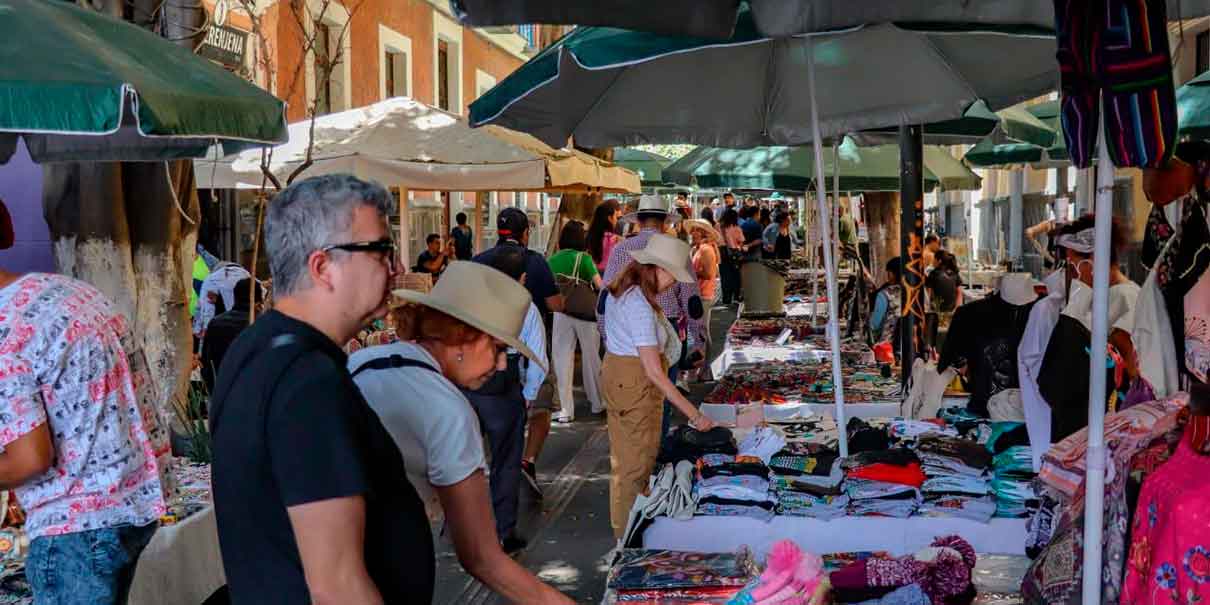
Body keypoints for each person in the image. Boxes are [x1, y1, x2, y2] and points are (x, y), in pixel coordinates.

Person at [209, 174, 435, 604]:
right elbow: (337, 587)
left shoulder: (259, 348)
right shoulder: (307, 381)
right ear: (322, 266)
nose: (397, 268)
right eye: (381, 250)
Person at [347, 262, 573, 605]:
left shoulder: (362, 361)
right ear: (462, 338)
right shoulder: (450, 410)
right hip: (383, 576)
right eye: (498, 349)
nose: (500, 365)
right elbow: (482, 557)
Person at [0, 197, 171, 605]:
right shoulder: (68, 293)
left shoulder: (5, 327)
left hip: (75, 530)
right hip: (129, 508)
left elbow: (29, 458)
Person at [599, 233, 717, 537]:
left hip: (626, 380)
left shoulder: (628, 291)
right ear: (657, 268)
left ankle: (628, 531)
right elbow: (653, 371)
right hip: (634, 383)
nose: (674, 284)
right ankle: (625, 541)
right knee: (633, 469)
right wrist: (694, 414)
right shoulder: (637, 303)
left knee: (632, 464)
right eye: (673, 276)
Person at [461, 246, 548, 550]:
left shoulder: (471, 300)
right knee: (506, 462)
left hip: (467, 385)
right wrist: (528, 395)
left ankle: (461, 526)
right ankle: (503, 531)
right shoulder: (527, 307)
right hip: (504, 386)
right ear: (522, 277)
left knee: (462, 461)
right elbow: (537, 358)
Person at [601, 195, 706, 440]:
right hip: (664, 331)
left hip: (623, 338)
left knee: (630, 406)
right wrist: (698, 341)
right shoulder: (674, 251)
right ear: (665, 221)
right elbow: (692, 302)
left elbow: (604, 300)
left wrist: (608, 337)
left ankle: (640, 454)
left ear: (637, 219)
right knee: (661, 401)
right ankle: (655, 455)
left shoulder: (621, 249)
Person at [475, 208, 562, 499]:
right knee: (540, 409)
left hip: (482, 363)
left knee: (489, 421)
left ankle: (485, 471)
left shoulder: (478, 261)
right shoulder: (535, 261)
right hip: (527, 357)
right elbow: (555, 303)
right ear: (525, 233)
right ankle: (526, 460)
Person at [547, 221, 604, 422]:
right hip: (586, 314)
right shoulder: (584, 259)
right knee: (591, 358)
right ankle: (598, 403)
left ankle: (565, 410)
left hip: (561, 312)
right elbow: (600, 286)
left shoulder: (552, 259)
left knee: (562, 358)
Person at [201, 277, 261, 393]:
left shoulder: (215, 323)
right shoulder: (264, 324)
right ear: (259, 301)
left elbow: (206, 363)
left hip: (221, 392)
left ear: (234, 297)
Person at [686, 219, 722, 352]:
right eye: (692, 230)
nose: (692, 233)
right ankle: (702, 363)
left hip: (704, 295)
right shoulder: (698, 248)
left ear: (702, 233)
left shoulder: (706, 249)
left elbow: (708, 274)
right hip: (698, 294)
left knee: (702, 333)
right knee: (699, 332)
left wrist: (690, 272)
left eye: (695, 230)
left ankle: (705, 364)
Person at [870, 257, 903, 347]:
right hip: (908, 345)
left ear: (892, 273)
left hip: (886, 346)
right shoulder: (912, 293)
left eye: (888, 272)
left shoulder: (884, 294)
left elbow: (874, 324)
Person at [588, 200, 624, 274]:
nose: (617, 221)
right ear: (610, 218)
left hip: (592, 277)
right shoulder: (615, 239)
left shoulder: (590, 236)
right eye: (617, 218)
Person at [925, 249, 964, 314]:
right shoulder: (954, 273)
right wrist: (957, 308)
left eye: (934, 259)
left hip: (937, 309)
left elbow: (928, 293)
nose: (932, 262)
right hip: (952, 309)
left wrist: (929, 308)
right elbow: (960, 292)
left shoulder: (933, 273)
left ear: (939, 261)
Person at [718, 208, 744, 305]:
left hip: (722, 254)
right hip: (734, 254)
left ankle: (726, 298)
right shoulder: (737, 228)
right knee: (736, 276)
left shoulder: (718, 226)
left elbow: (715, 239)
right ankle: (736, 296)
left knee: (725, 276)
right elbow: (741, 242)